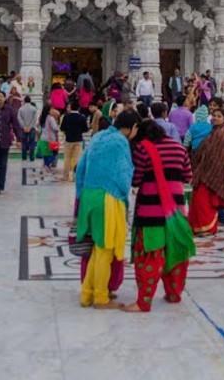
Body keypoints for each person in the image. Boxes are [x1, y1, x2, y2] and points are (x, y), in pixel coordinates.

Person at [124, 118, 195, 312]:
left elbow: (136, 179)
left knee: (150, 255)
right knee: (176, 251)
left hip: (150, 211)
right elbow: (188, 176)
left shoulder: (142, 149)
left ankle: (143, 302)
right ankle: (173, 294)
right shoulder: (179, 148)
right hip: (176, 210)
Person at [76, 110, 139, 309]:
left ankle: (87, 294)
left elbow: (81, 167)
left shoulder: (99, 136)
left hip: (89, 195)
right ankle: (101, 297)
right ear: (131, 128)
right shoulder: (120, 142)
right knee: (106, 248)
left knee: (97, 248)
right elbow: (123, 174)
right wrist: (125, 195)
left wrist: (80, 196)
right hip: (108, 197)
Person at [188, 107, 224, 235]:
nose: (215, 118)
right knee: (200, 201)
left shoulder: (221, 134)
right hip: (204, 172)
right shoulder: (213, 132)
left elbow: (217, 156)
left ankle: (206, 227)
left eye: (219, 116)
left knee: (204, 202)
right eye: (214, 115)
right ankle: (200, 226)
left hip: (211, 173)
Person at [60, 104, 89, 182]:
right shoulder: (82, 117)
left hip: (68, 140)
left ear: (71, 108)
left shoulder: (66, 117)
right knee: (76, 159)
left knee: (67, 159)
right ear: (78, 108)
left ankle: (65, 176)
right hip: (78, 140)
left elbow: (62, 128)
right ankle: (75, 176)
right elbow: (86, 129)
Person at [37, 106, 62, 178]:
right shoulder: (50, 118)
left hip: (43, 138)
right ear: (48, 110)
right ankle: (46, 166)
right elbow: (55, 128)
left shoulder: (42, 118)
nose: (53, 110)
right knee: (54, 154)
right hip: (51, 139)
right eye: (51, 109)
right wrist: (57, 125)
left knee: (46, 154)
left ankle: (46, 167)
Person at [17, 95, 38, 162]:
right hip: (32, 128)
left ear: (24, 101)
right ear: (30, 100)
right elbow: (35, 119)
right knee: (32, 142)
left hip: (24, 128)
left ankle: (24, 157)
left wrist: (24, 126)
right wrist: (30, 126)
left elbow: (19, 118)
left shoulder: (21, 109)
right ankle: (31, 157)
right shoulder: (34, 108)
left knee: (24, 142)